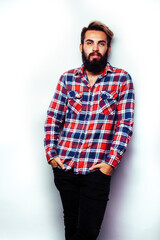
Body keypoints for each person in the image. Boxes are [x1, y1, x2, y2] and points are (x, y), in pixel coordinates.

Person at [44, 21, 135, 240]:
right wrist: (52, 155)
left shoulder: (122, 79)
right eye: (89, 42)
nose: (95, 48)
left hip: (96, 170)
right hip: (66, 167)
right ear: (81, 47)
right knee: (71, 229)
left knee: (87, 233)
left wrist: (110, 163)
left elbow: (124, 124)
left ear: (108, 49)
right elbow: (53, 118)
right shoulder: (67, 78)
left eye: (101, 43)